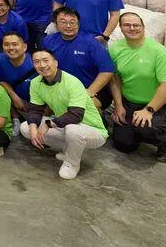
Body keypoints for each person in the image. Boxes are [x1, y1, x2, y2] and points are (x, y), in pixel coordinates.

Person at [22, 47, 108, 180]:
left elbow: (76, 115)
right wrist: (34, 128)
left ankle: (72, 163)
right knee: (26, 128)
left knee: (73, 130)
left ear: (56, 63)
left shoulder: (72, 82)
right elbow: (35, 109)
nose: (42, 65)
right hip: (65, 125)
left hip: (93, 130)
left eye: (46, 60)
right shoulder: (35, 83)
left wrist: (48, 124)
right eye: (37, 62)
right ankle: (68, 149)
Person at [109, 11, 166, 162]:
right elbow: (115, 79)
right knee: (123, 145)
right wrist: (119, 105)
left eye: (136, 25)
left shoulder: (159, 51)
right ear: (120, 28)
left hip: (160, 105)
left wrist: (149, 110)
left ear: (143, 27)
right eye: (127, 25)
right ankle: (137, 131)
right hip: (130, 102)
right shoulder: (115, 49)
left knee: (146, 127)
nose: (132, 28)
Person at [42, 7, 115, 110]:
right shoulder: (48, 41)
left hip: (93, 89)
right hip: (62, 89)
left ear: (78, 24)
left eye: (72, 22)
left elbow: (107, 70)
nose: (68, 26)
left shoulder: (91, 43)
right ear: (55, 24)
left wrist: (89, 92)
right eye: (63, 22)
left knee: (80, 108)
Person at [0, 31, 36, 126]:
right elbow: (0, 80)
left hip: (35, 103)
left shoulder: (35, 61)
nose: (11, 48)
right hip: (14, 100)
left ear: (24, 47)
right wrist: (14, 97)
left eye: (15, 44)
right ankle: (14, 118)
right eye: (6, 44)